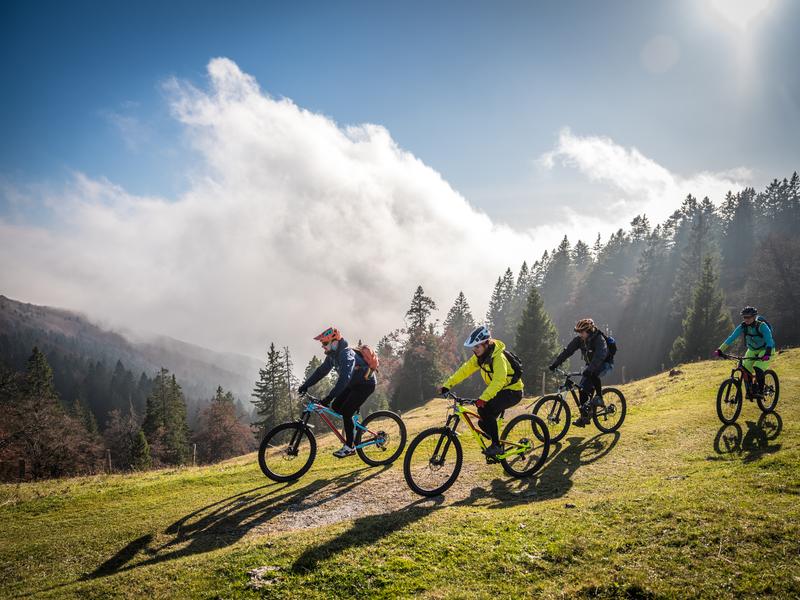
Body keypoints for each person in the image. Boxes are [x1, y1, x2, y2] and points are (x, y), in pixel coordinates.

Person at [439, 325, 524, 458]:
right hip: (500, 390)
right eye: (473, 347)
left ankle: (497, 446)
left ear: (486, 343)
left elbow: (499, 381)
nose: (474, 350)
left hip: (512, 392)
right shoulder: (480, 357)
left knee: (486, 409)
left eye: (477, 346)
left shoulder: (498, 358)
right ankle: (496, 442)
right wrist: (447, 385)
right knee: (482, 420)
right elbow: (465, 370)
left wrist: (483, 398)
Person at [297, 327, 377, 458]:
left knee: (346, 411)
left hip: (365, 385)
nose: (322, 347)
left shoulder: (346, 354)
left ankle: (350, 447)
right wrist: (305, 385)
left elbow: (344, 379)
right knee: (335, 406)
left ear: (334, 342)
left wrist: (329, 397)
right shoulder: (332, 356)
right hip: (352, 384)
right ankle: (355, 430)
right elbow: (321, 371)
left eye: (324, 343)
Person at [548, 318, 612, 427]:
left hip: (603, 363)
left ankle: (600, 397)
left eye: (582, 332)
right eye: (578, 332)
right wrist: (556, 363)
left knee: (592, 374)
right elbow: (568, 351)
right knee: (582, 389)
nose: (580, 335)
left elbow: (600, 355)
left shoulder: (599, 339)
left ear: (589, 330)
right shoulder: (579, 340)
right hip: (591, 364)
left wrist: (590, 369)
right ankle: (585, 416)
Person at [715, 306, 774, 398]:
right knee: (745, 369)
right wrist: (720, 349)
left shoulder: (762, 326)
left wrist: (767, 353)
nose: (746, 319)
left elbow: (769, 340)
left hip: (765, 350)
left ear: (754, 317)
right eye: (744, 317)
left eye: (748, 317)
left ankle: (761, 391)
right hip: (752, 350)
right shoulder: (743, 326)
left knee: (758, 368)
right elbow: (732, 337)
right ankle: (751, 390)